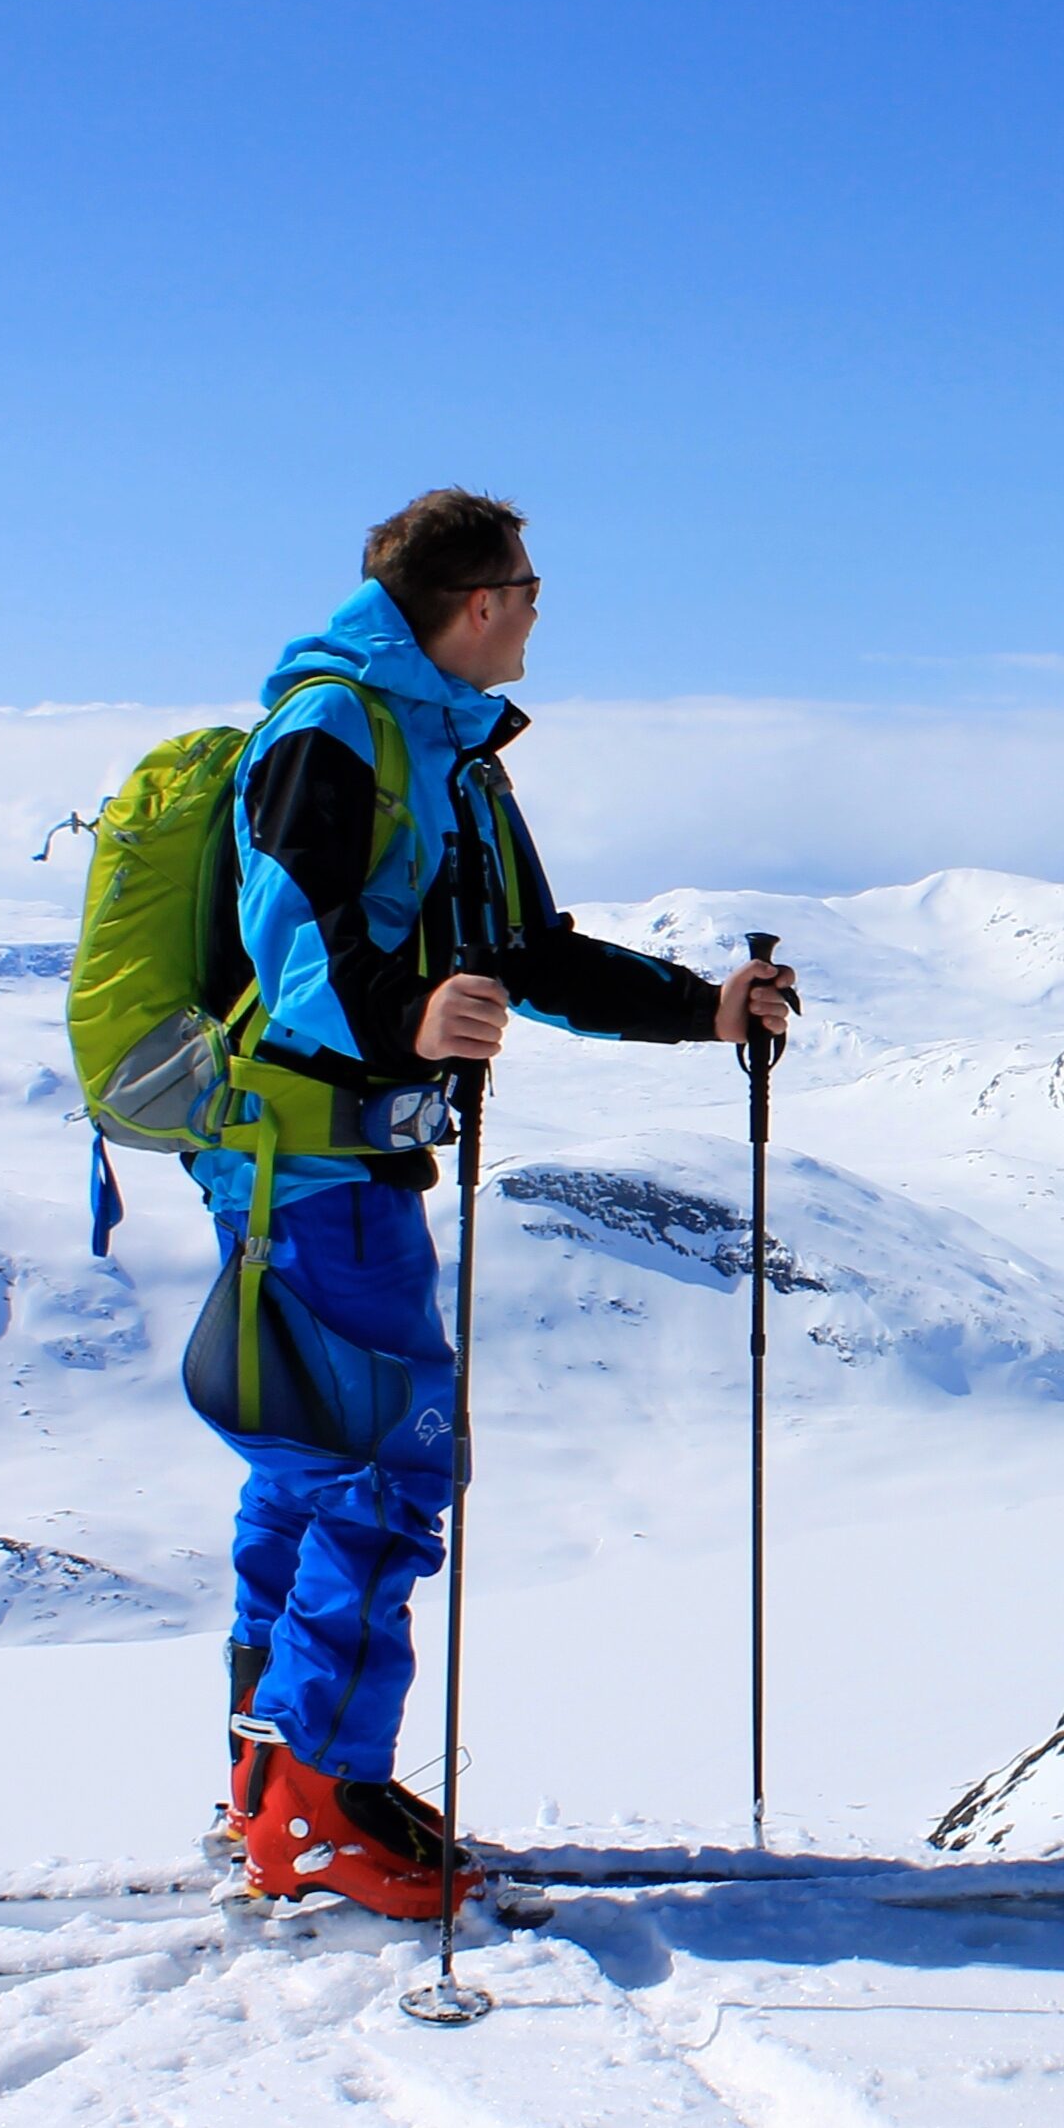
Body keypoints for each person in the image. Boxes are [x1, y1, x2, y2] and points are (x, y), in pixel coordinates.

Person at [201, 487, 795, 1918]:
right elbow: (291, 938)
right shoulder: (337, 729)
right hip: (309, 1157)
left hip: (340, 1154)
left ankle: (286, 1785)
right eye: (528, 589)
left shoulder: (449, 750)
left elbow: (527, 949)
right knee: (381, 1470)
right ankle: (323, 1805)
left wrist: (703, 1011)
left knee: (314, 1465)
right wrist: (407, 1020)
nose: (537, 612)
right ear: (478, 603)